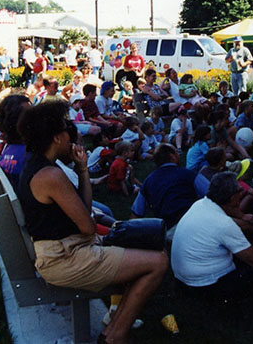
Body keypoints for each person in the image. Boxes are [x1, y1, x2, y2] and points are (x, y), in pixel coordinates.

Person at [16, 100, 168, 344]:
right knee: (158, 261)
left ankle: (112, 331)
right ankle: (116, 335)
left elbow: (84, 212)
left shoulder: (41, 167)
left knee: (146, 250)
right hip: (65, 258)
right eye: (68, 132)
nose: (72, 139)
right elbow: (87, 225)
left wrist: (83, 169)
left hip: (67, 249)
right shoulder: (51, 175)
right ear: (56, 137)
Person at [171, 171, 253, 304]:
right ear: (232, 197)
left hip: (184, 280)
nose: (241, 194)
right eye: (239, 191)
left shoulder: (200, 204)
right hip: (205, 286)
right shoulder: (224, 224)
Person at [130, 143, 207, 239]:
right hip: (192, 225)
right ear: (172, 156)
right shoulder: (189, 175)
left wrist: (130, 235)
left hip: (167, 231)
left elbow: (136, 212)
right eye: (176, 152)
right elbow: (212, 193)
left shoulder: (149, 180)